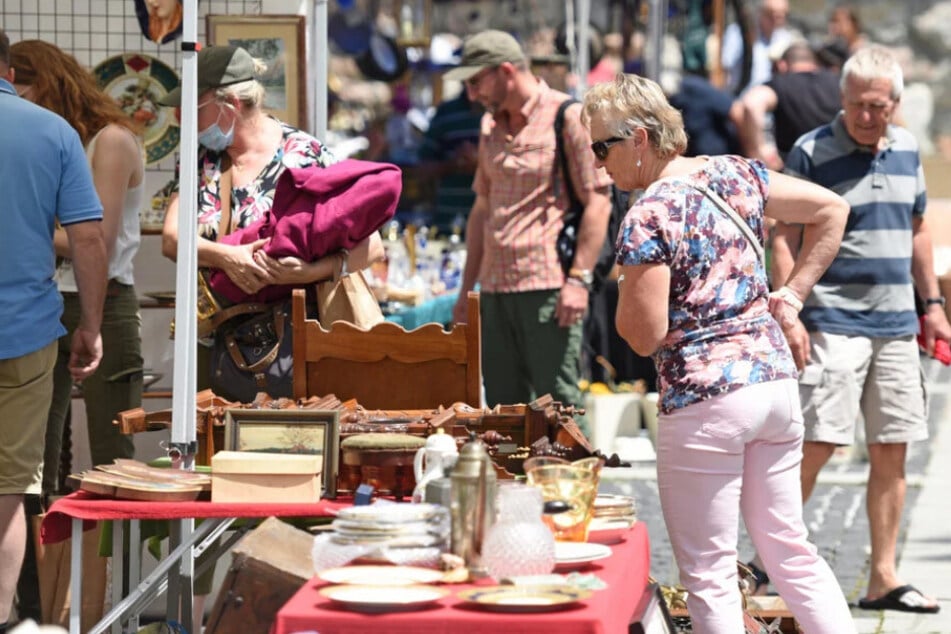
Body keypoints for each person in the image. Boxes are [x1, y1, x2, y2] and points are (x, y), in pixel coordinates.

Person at [581, 72, 857, 633]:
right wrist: (793, 294)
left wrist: (624, 290)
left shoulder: (647, 214)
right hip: (773, 383)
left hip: (706, 398)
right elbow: (833, 209)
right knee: (790, 549)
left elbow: (645, 335)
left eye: (601, 147)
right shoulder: (735, 172)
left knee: (708, 573)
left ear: (639, 139)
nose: (596, 163)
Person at [767, 45, 947, 614]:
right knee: (816, 444)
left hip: (896, 323)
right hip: (831, 320)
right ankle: (777, 569)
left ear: (895, 103)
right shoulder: (812, 150)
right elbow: (781, 234)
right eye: (855, 105)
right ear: (842, 99)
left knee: (892, 449)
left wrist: (933, 303)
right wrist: (788, 306)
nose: (866, 116)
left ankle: (884, 580)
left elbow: (917, 230)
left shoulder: (909, 149)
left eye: (877, 106)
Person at [447, 30, 613, 426]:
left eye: (476, 81)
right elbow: (482, 210)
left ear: (506, 71)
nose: (471, 94)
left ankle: (575, 483)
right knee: (504, 408)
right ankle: (514, 486)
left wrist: (579, 280)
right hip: (496, 288)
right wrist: (465, 290)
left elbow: (598, 201)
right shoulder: (490, 127)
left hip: (547, 285)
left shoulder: (566, 116)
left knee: (558, 403)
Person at [0, 29, 107, 634]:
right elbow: (88, 238)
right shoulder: (53, 132)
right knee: (10, 488)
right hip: (25, 332)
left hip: (26, 328)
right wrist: (89, 326)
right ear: (8, 69)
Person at [10, 39, 145, 489]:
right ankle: (43, 559)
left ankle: (115, 560)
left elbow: (97, 238)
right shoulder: (54, 141)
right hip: (49, 302)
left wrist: (24, 226)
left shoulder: (108, 140)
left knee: (113, 457)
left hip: (105, 302)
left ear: (44, 85)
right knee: (38, 458)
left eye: (22, 91)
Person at [738, 41, 842, 170]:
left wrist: (758, 153)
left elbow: (751, 103)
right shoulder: (836, 81)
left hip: (797, 172)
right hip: (839, 167)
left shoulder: (780, 83)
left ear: (782, 65)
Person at [416, 87, 482, 236]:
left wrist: (481, 162)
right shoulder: (445, 112)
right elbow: (422, 169)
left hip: (489, 227)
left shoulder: (503, 112)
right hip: (447, 223)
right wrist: (454, 164)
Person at [721, 0, 797, 94]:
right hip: (740, 96)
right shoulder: (737, 34)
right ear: (760, 13)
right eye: (772, 15)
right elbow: (724, 68)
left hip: (770, 100)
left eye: (782, 15)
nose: (777, 19)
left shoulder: (786, 39)